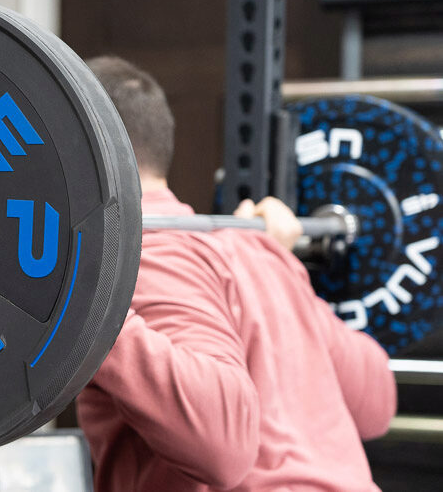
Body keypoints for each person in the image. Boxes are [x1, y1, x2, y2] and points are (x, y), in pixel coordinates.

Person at [76, 56, 396, 491]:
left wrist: (83, 302)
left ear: (77, 145)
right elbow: (379, 403)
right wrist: (284, 275)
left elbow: (222, 447)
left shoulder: (139, 256)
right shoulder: (252, 251)